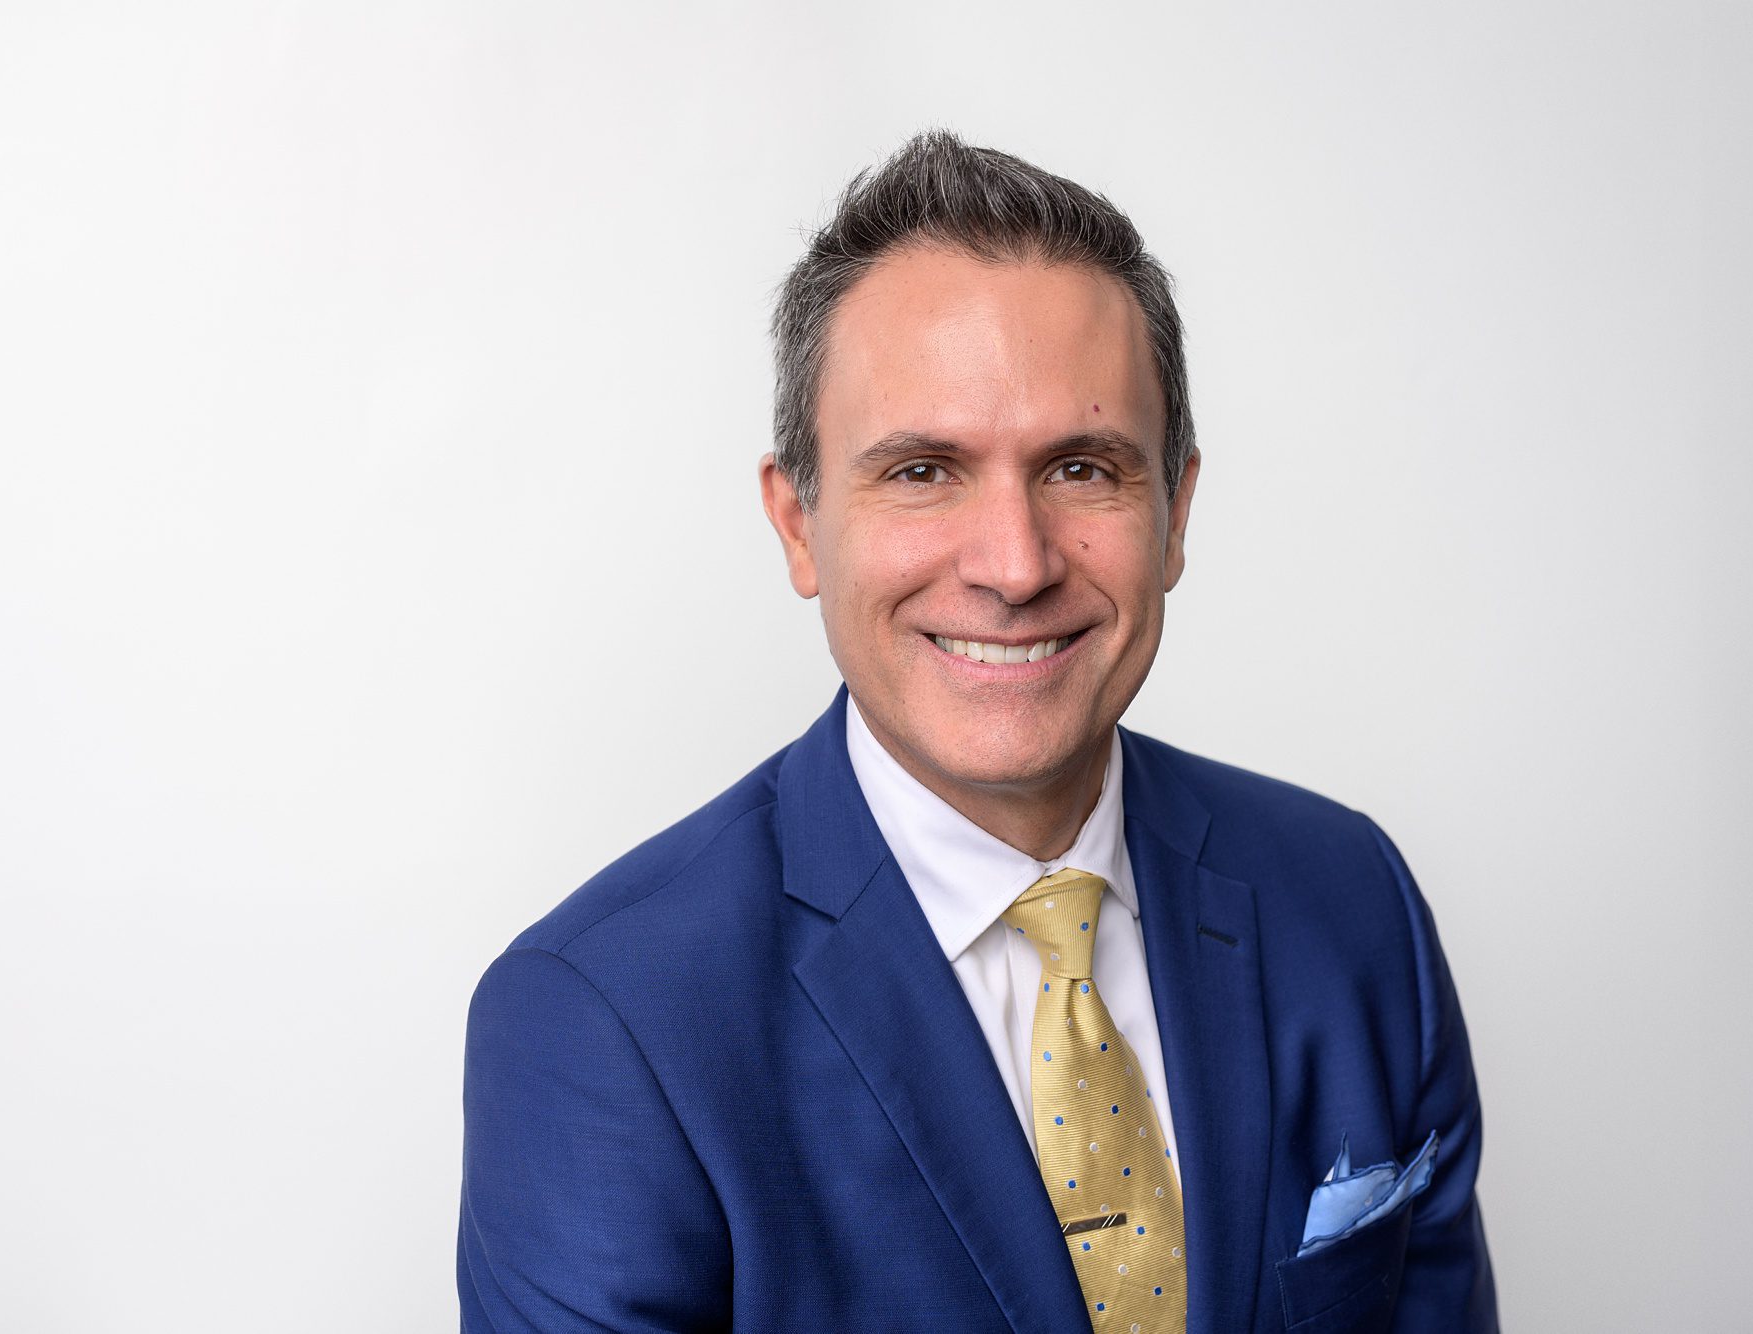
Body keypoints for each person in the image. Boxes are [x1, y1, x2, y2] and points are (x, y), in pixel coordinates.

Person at [457, 130, 1497, 1333]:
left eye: (1080, 467)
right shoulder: (603, 1022)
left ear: (1173, 513)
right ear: (797, 523)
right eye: (921, 471)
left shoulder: (1351, 901)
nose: (1013, 564)